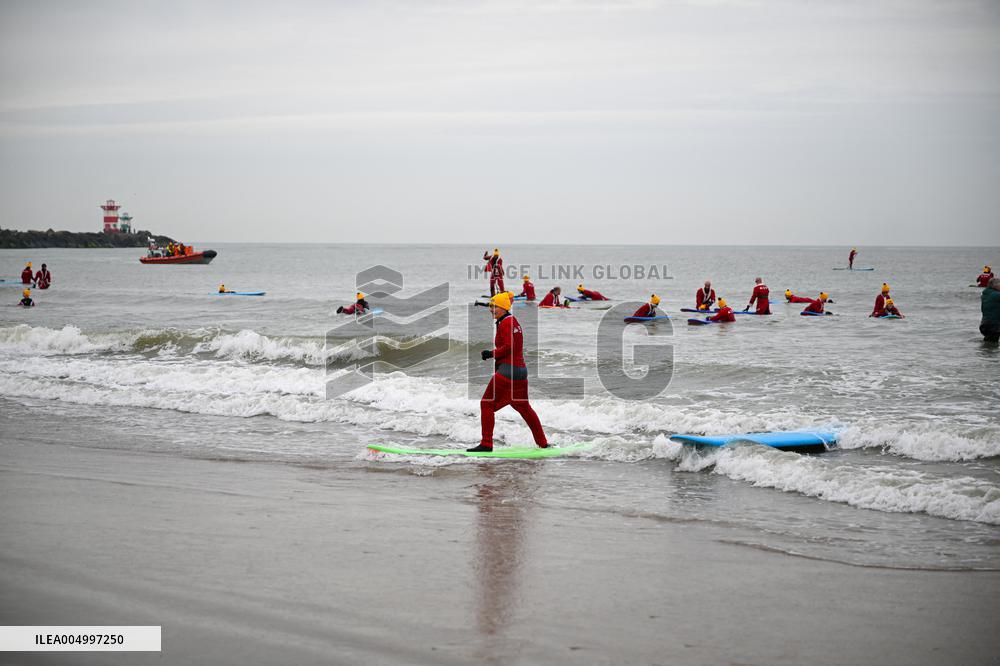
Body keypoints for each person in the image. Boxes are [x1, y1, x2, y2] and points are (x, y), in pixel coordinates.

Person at [469, 291, 547, 452]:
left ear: (504, 307)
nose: (492, 309)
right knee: (524, 407)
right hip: (520, 371)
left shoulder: (506, 323)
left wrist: (491, 353)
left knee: (486, 403)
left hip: (508, 372)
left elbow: (509, 347)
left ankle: (486, 444)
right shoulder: (510, 320)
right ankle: (543, 443)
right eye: (491, 306)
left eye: (495, 306)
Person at [981, 277, 1000, 342]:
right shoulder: (996, 295)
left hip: (984, 324)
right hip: (993, 325)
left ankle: (981, 352)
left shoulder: (986, 294)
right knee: (992, 346)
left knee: (988, 346)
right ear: (995, 285)